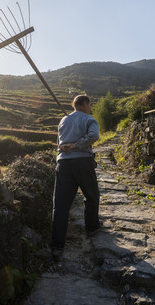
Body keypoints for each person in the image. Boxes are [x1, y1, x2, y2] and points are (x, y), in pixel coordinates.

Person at [51, 94, 100, 261]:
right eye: (90, 104)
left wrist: (68, 146)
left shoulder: (63, 121)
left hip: (63, 164)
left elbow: (59, 143)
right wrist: (77, 145)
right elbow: (94, 136)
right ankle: (92, 227)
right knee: (92, 196)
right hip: (83, 162)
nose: (90, 108)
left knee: (60, 205)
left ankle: (57, 246)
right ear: (85, 104)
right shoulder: (88, 119)